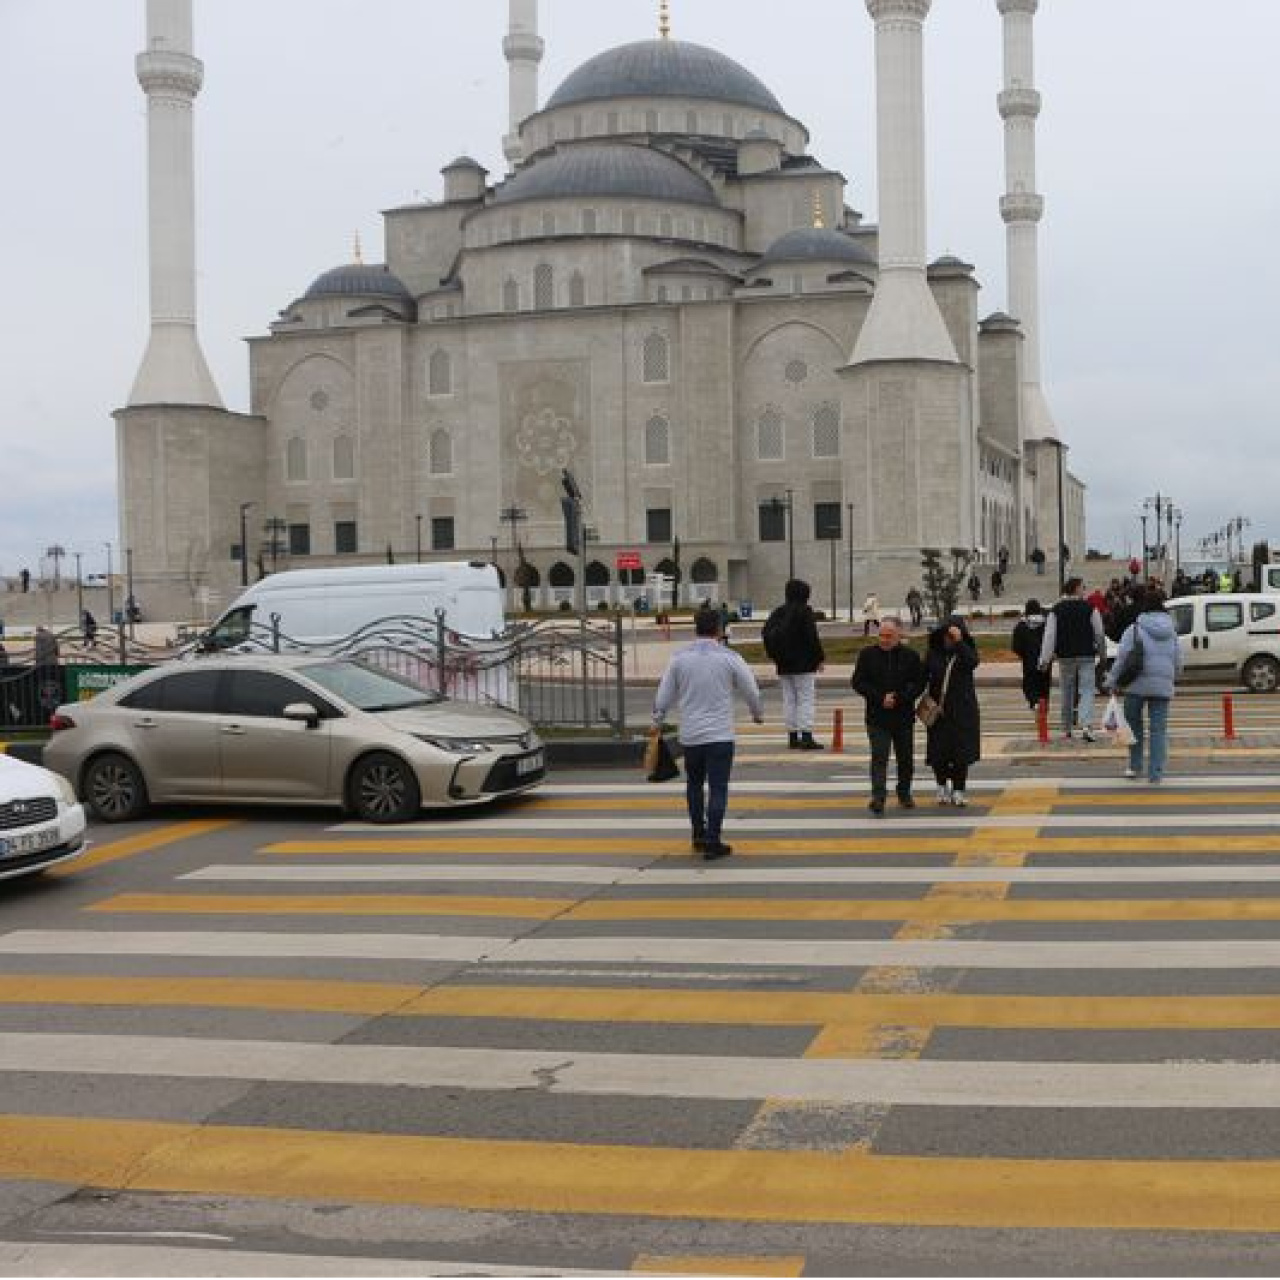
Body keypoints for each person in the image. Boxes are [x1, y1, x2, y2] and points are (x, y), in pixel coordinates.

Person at [653, 606, 764, 860]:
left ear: (696, 628)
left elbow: (663, 696)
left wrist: (657, 720)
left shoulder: (679, 658)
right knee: (718, 787)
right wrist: (757, 714)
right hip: (720, 736)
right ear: (719, 629)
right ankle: (714, 841)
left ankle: (698, 834)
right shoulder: (731, 658)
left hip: (691, 736)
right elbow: (751, 690)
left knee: (694, 785)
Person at [1105, 586, 1181, 784]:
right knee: (1158, 730)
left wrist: (1112, 680)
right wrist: (1173, 677)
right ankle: (1156, 772)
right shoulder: (1171, 631)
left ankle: (1135, 766)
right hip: (1162, 685)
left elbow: (1122, 659)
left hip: (1135, 684)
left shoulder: (1134, 629)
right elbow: (1178, 660)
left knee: (1134, 726)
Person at [851, 615, 925, 815]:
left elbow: (918, 684)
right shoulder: (867, 655)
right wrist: (879, 697)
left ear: (899, 634)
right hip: (877, 716)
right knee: (879, 757)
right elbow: (858, 682)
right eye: (881, 635)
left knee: (905, 758)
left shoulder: (910, 656)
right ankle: (878, 797)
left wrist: (899, 698)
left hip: (903, 716)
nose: (884, 639)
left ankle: (904, 792)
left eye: (889, 635)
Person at [1038, 576, 1107, 741]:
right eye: (1083, 587)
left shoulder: (1056, 610)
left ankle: (1067, 728)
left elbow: (1049, 637)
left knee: (1067, 691)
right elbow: (1099, 633)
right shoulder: (1090, 608)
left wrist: (1044, 660)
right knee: (1087, 690)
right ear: (1076, 588)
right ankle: (1086, 725)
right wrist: (1102, 653)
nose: (1085, 590)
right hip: (1086, 655)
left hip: (1065, 656)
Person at [762, 579, 825, 750]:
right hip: (804, 664)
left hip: (783, 663)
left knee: (789, 700)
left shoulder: (778, 612)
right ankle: (806, 736)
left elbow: (765, 633)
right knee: (805, 699)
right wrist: (819, 658)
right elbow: (812, 638)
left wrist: (774, 655)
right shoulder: (805, 611)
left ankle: (792, 736)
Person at [924, 616, 981, 806]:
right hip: (938, 711)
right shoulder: (933, 653)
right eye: (946, 635)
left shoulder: (965, 651)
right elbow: (922, 676)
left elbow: (973, 662)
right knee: (938, 752)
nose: (948, 639)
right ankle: (941, 786)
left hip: (963, 710)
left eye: (952, 635)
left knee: (961, 753)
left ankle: (959, 789)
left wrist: (959, 642)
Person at [1011, 599, 1051, 713]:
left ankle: (1034, 702)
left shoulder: (1021, 626)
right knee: (1044, 685)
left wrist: (1024, 654)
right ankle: (1043, 706)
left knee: (1029, 684)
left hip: (1029, 661)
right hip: (1045, 661)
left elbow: (1016, 646)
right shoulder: (1047, 624)